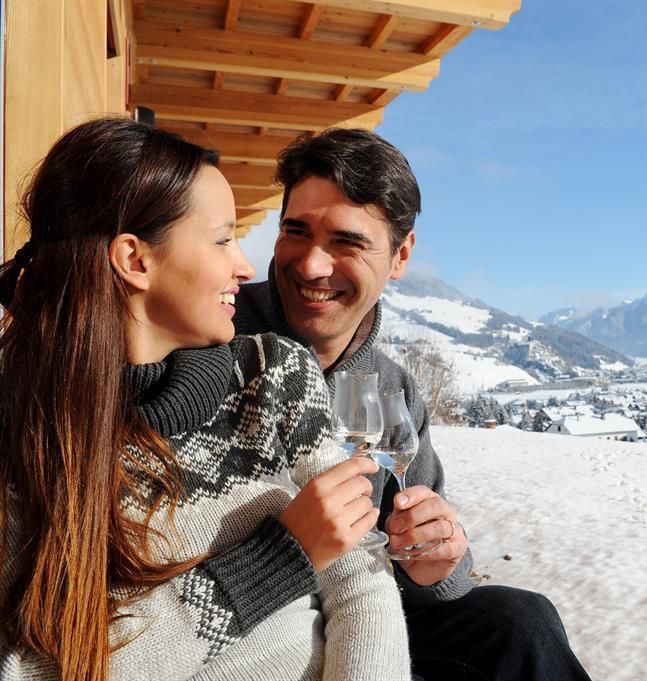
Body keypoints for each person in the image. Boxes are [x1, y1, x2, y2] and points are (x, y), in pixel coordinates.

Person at [0, 118, 410, 680]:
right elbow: (28, 671)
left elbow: (361, 579)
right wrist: (274, 563)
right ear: (135, 260)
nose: (245, 266)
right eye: (222, 240)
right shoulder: (26, 433)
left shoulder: (275, 372)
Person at [233, 128, 592, 681]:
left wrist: (437, 562)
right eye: (295, 232)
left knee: (521, 621)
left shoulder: (391, 388)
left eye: (347, 242)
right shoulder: (215, 342)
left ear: (400, 255)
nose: (311, 266)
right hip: (254, 629)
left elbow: (428, 556)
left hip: (367, 615)